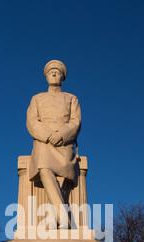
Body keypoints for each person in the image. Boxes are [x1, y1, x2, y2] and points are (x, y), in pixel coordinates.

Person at [26, 60, 81, 228]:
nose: (54, 74)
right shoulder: (37, 98)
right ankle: (63, 216)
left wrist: (61, 135)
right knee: (44, 165)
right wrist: (49, 135)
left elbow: (75, 121)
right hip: (44, 141)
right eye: (51, 72)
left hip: (65, 143)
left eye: (57, 72)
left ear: (63, 76)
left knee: (67, 171)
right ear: (46, 77)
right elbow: (32, 121)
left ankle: (56, 215)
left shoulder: (71, 98)